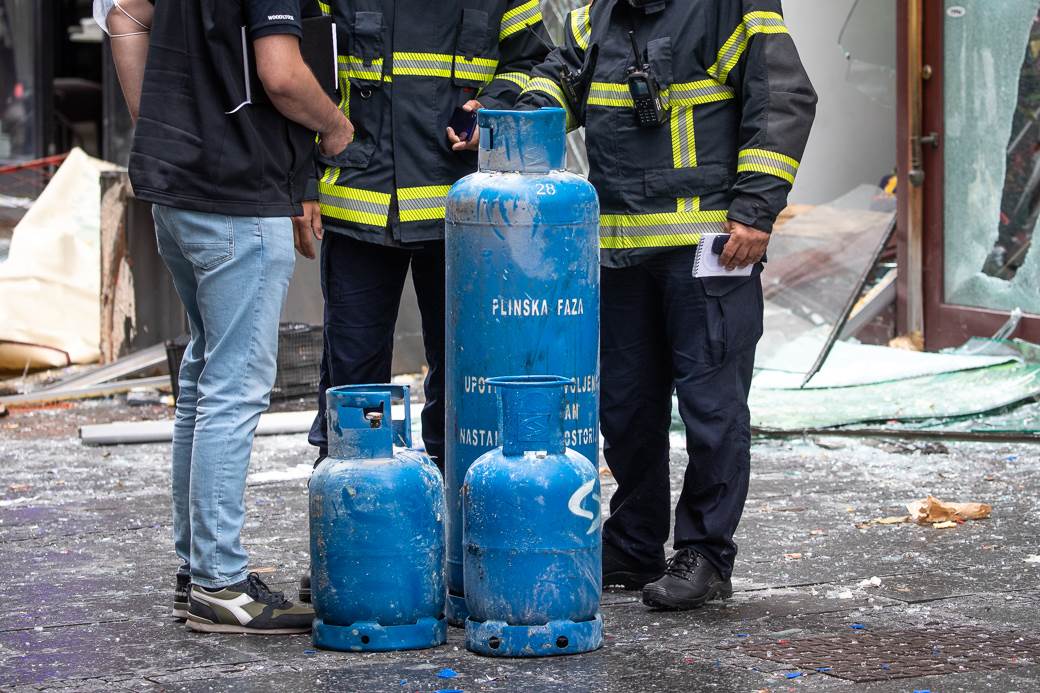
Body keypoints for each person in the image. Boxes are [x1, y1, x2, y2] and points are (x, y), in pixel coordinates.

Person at [518, 0, 816, 610]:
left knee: (712, 410)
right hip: (621, 254)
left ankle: (706, 553)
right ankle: (634, 544)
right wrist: (514, 111)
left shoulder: (729, 7)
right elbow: (556, 81)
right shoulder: (597, 16)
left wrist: (756, 209)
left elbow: (783, 99)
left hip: (710, 250)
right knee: (626, 410)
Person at [295, 0, 552, 604]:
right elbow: (301, 75)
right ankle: (352, 546)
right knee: (352, 385)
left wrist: (495, 107)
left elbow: (537, 65)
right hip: (360, 204)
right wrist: (300, 183)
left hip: (459, 208)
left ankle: (461, 548)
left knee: (463, 384)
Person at [109, 0, 354, 633]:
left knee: (203, 378)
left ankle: (197, 572)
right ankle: (219, 583)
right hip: (237, 201)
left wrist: (159, 128)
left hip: (179, 193)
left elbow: (125, 17)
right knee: (233, 386)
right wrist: (334, 125)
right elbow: (281, 74)